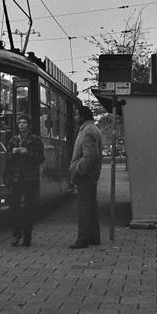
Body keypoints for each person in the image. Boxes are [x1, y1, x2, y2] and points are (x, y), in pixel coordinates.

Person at [4, 114, 45, 247]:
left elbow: (41, 158)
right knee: (13, 204)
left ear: (29, 125)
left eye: (24, 122)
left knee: (29, 207)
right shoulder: (14, 140)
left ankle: (27, 236)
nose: (21, 125)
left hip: (30, 178)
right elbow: (7, 157)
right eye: (20, 123)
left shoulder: (35, 140)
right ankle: (16, 233)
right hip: (16, 178)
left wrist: (28, 152)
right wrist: (13, 152)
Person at [68, 105, 103, 249]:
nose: (75, 117)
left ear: (82, 116)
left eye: (77, 115)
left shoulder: (87, 131)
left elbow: (89, 156)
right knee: (91, 207)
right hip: (90, 174)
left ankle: (82, 239)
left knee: (84, 208)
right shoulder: (92, 128)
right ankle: (94, 237)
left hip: (86, 175)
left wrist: (77, 171)